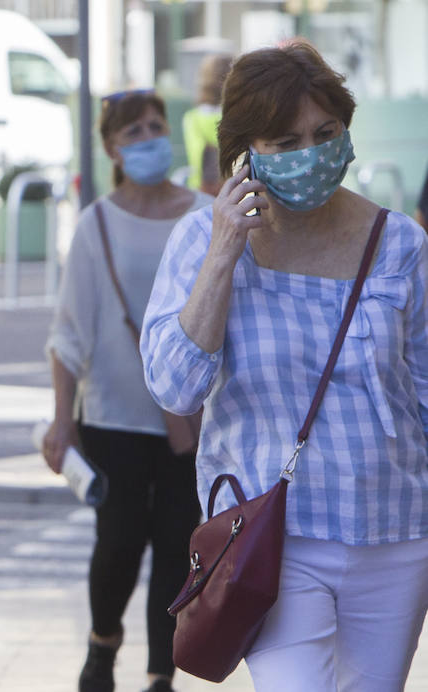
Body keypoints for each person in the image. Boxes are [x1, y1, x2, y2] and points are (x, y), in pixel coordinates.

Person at [141, 40, 428, 691]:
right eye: (286, 140)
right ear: (244, 151)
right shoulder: (201, 241)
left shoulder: (399, 245)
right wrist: (222, 252)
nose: (311, 153)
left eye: (325, 133)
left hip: (396, 531)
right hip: (271, 541)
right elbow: (175, 389)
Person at [43, 90, 210, 692]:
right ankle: (102, 644)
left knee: (175, 543)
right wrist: (62, 420)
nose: (149, 140)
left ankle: (160, 673)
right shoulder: (97, 223)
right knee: (117, 541)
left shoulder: (205, 213)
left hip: (188, 418)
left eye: (156, 127)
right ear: (113, 147)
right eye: (134, 132)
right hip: (111, 415)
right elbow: (68, 334)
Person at [181, 54, 233, 197]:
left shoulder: (191, 118)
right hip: (234, 189)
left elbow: (197, 155)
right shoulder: (236, 116)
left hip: (200, 191)